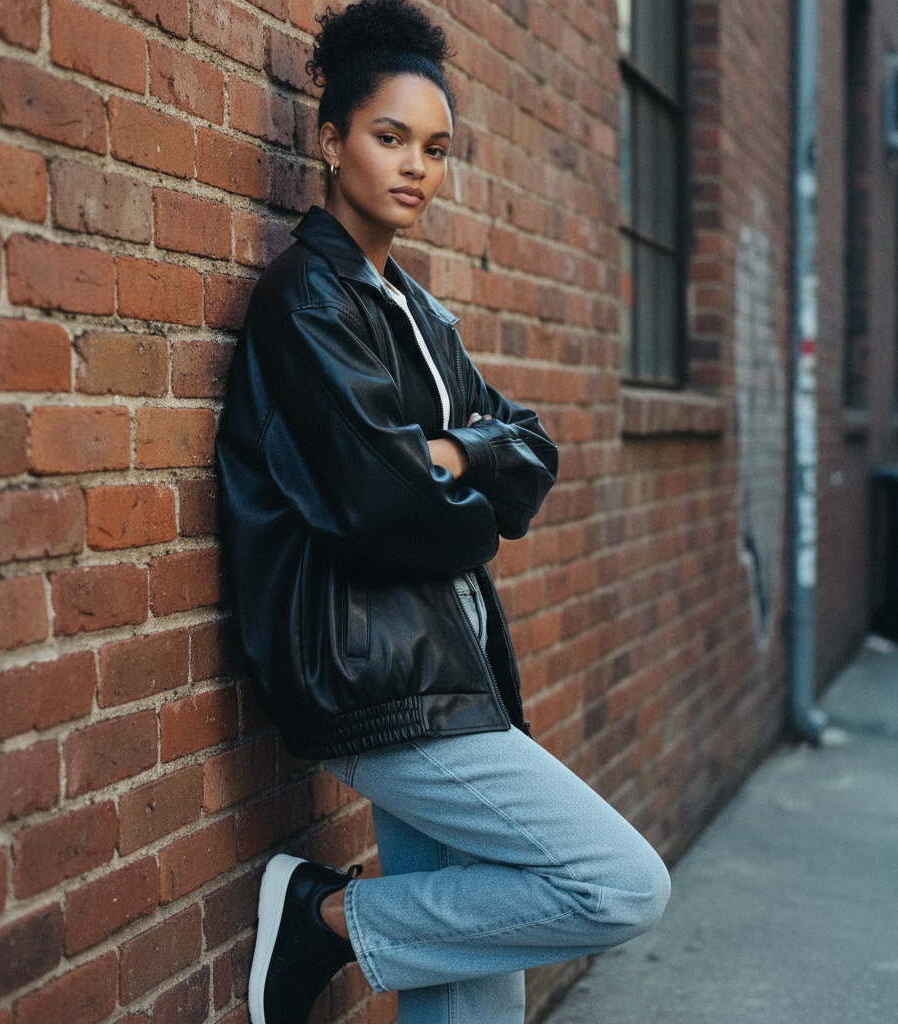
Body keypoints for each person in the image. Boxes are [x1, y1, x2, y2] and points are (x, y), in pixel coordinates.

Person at [214, 2, 671, 1022]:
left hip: (445, 669)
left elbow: (531, 448)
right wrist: (461, 493)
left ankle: (342, 923)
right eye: (389, 138)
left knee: (470, 984)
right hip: (375, 679)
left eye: (436, 148)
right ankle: (327, 920)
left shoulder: (419, 312)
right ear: (330, 143)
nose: (415, 166)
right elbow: (394, 512)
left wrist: (457, 449)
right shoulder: (309, 302)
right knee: (617, 882)